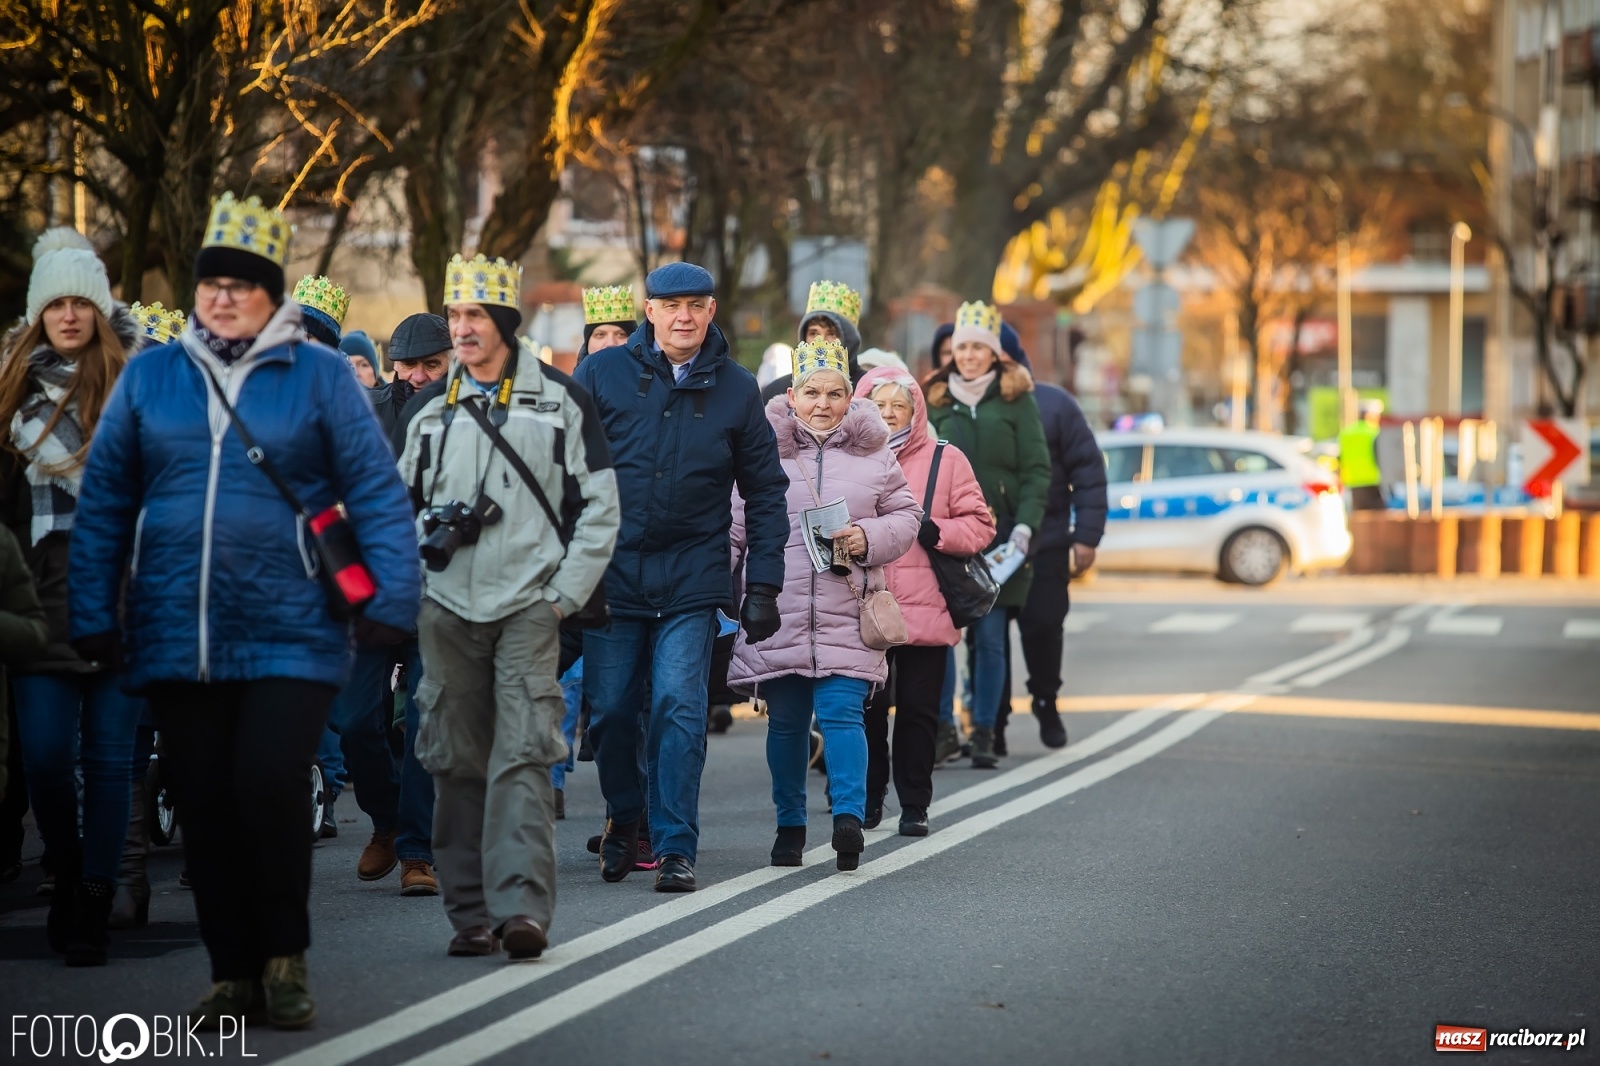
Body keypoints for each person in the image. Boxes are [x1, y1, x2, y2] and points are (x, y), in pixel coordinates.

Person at [68, 192, 421, 1026]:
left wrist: (392, 601)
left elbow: (375, 491)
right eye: (210, 283)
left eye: (240, 283)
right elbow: (108, 498)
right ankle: (232, 969)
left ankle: (284, 957)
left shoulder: (322, 376)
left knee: (267, 788)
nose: (222, 297)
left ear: (272, 292)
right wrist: (92, 607)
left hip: (292, 628)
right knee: (207, 802)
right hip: (176, 628)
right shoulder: (153, 376)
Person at [399, 251, 619, 959]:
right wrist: (416, 588)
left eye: (474, 316)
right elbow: (395, 511)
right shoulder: (430, 415)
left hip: (530, 607)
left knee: (523, 756)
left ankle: (522, 909)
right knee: (453, 760)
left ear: (504, 321)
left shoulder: (563, 402)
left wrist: (562, 597)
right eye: (454, 315)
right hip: (447, 611)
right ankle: (469, 914)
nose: (461, 328)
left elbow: (603, 509)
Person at [574, 261, 789, 893]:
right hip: (613, 573)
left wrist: (764, 585)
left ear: (712, 310)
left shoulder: (737, 387)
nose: (683, 317)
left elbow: (766, 491)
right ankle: (624, 817)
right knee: (611, 711)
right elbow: (564, 473)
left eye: (695, 305)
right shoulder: (601, 374)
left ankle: (675, 846)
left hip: (693, 575)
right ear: (649, 312)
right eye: (671, 306)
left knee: (679, 706)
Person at [0, 227, 142, 966]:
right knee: (49, 759)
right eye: (53, 302)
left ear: (98, 307)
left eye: (79, 301)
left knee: (112, 761)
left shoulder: (136, 386)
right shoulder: (10, 391)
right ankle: (64, 864)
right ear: (38, 311)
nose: (67, 313)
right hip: (40, 597)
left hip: (122, 593)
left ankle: (91, 897)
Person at [730, 340, 919, 868]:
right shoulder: (761, 450)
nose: (822, 403)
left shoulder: (876, 454)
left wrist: (867, 537)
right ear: (791, 396)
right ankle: (789, 825)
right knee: (786, 722)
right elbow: (735, 526)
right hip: (778, 609)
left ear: (849, 397)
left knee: (841, 715)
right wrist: (720, 588)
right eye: (811, 392)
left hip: (848, 609)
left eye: (834, 393)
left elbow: (906, 517)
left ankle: (848, 820)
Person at [853, 366, 993, 835]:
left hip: (924, 611)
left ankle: (914, 804)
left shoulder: (945, 459)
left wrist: (942, 532)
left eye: (900, 405)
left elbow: (981, 525)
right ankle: (867, 801)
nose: (889, 414)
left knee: (918, 713)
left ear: (916, 411)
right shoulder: (847, 454)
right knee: (867, 713)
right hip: (863, 608)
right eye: (879, 404)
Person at [922, 301, 1050, 769]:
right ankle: (941, 726)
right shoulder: (933, 401)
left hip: (1000, 543)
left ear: (995, 353)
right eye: (962, 348)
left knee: (990, 638)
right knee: (944, 635)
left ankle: (985, 728)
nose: (970, 356)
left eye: (979, 347)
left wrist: (1024, 527)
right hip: (946, 537)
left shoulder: (1017, 399)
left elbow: (1038, 470)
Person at [1012, 333, 1106, 752]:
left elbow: (1087, 472)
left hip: (1045, 543)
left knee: (1044, 628)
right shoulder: (965, 408)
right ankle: (987, 724)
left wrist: (1086, 536)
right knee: (986, 640)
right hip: (985, 544)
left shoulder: (1054, 405)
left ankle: (1045, 699)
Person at [759, 280, 867, 403]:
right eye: (813, 333)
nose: (821, 340)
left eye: (831, 334)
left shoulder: (869, 389)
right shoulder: (776, 391)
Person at [1340, 399, 1386, 511]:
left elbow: (1341, 457)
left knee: (1359, 518)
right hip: (1373, 481)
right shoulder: (1374, 432)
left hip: (1353, 482)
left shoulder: (1346, 433)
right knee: (1378, 519)